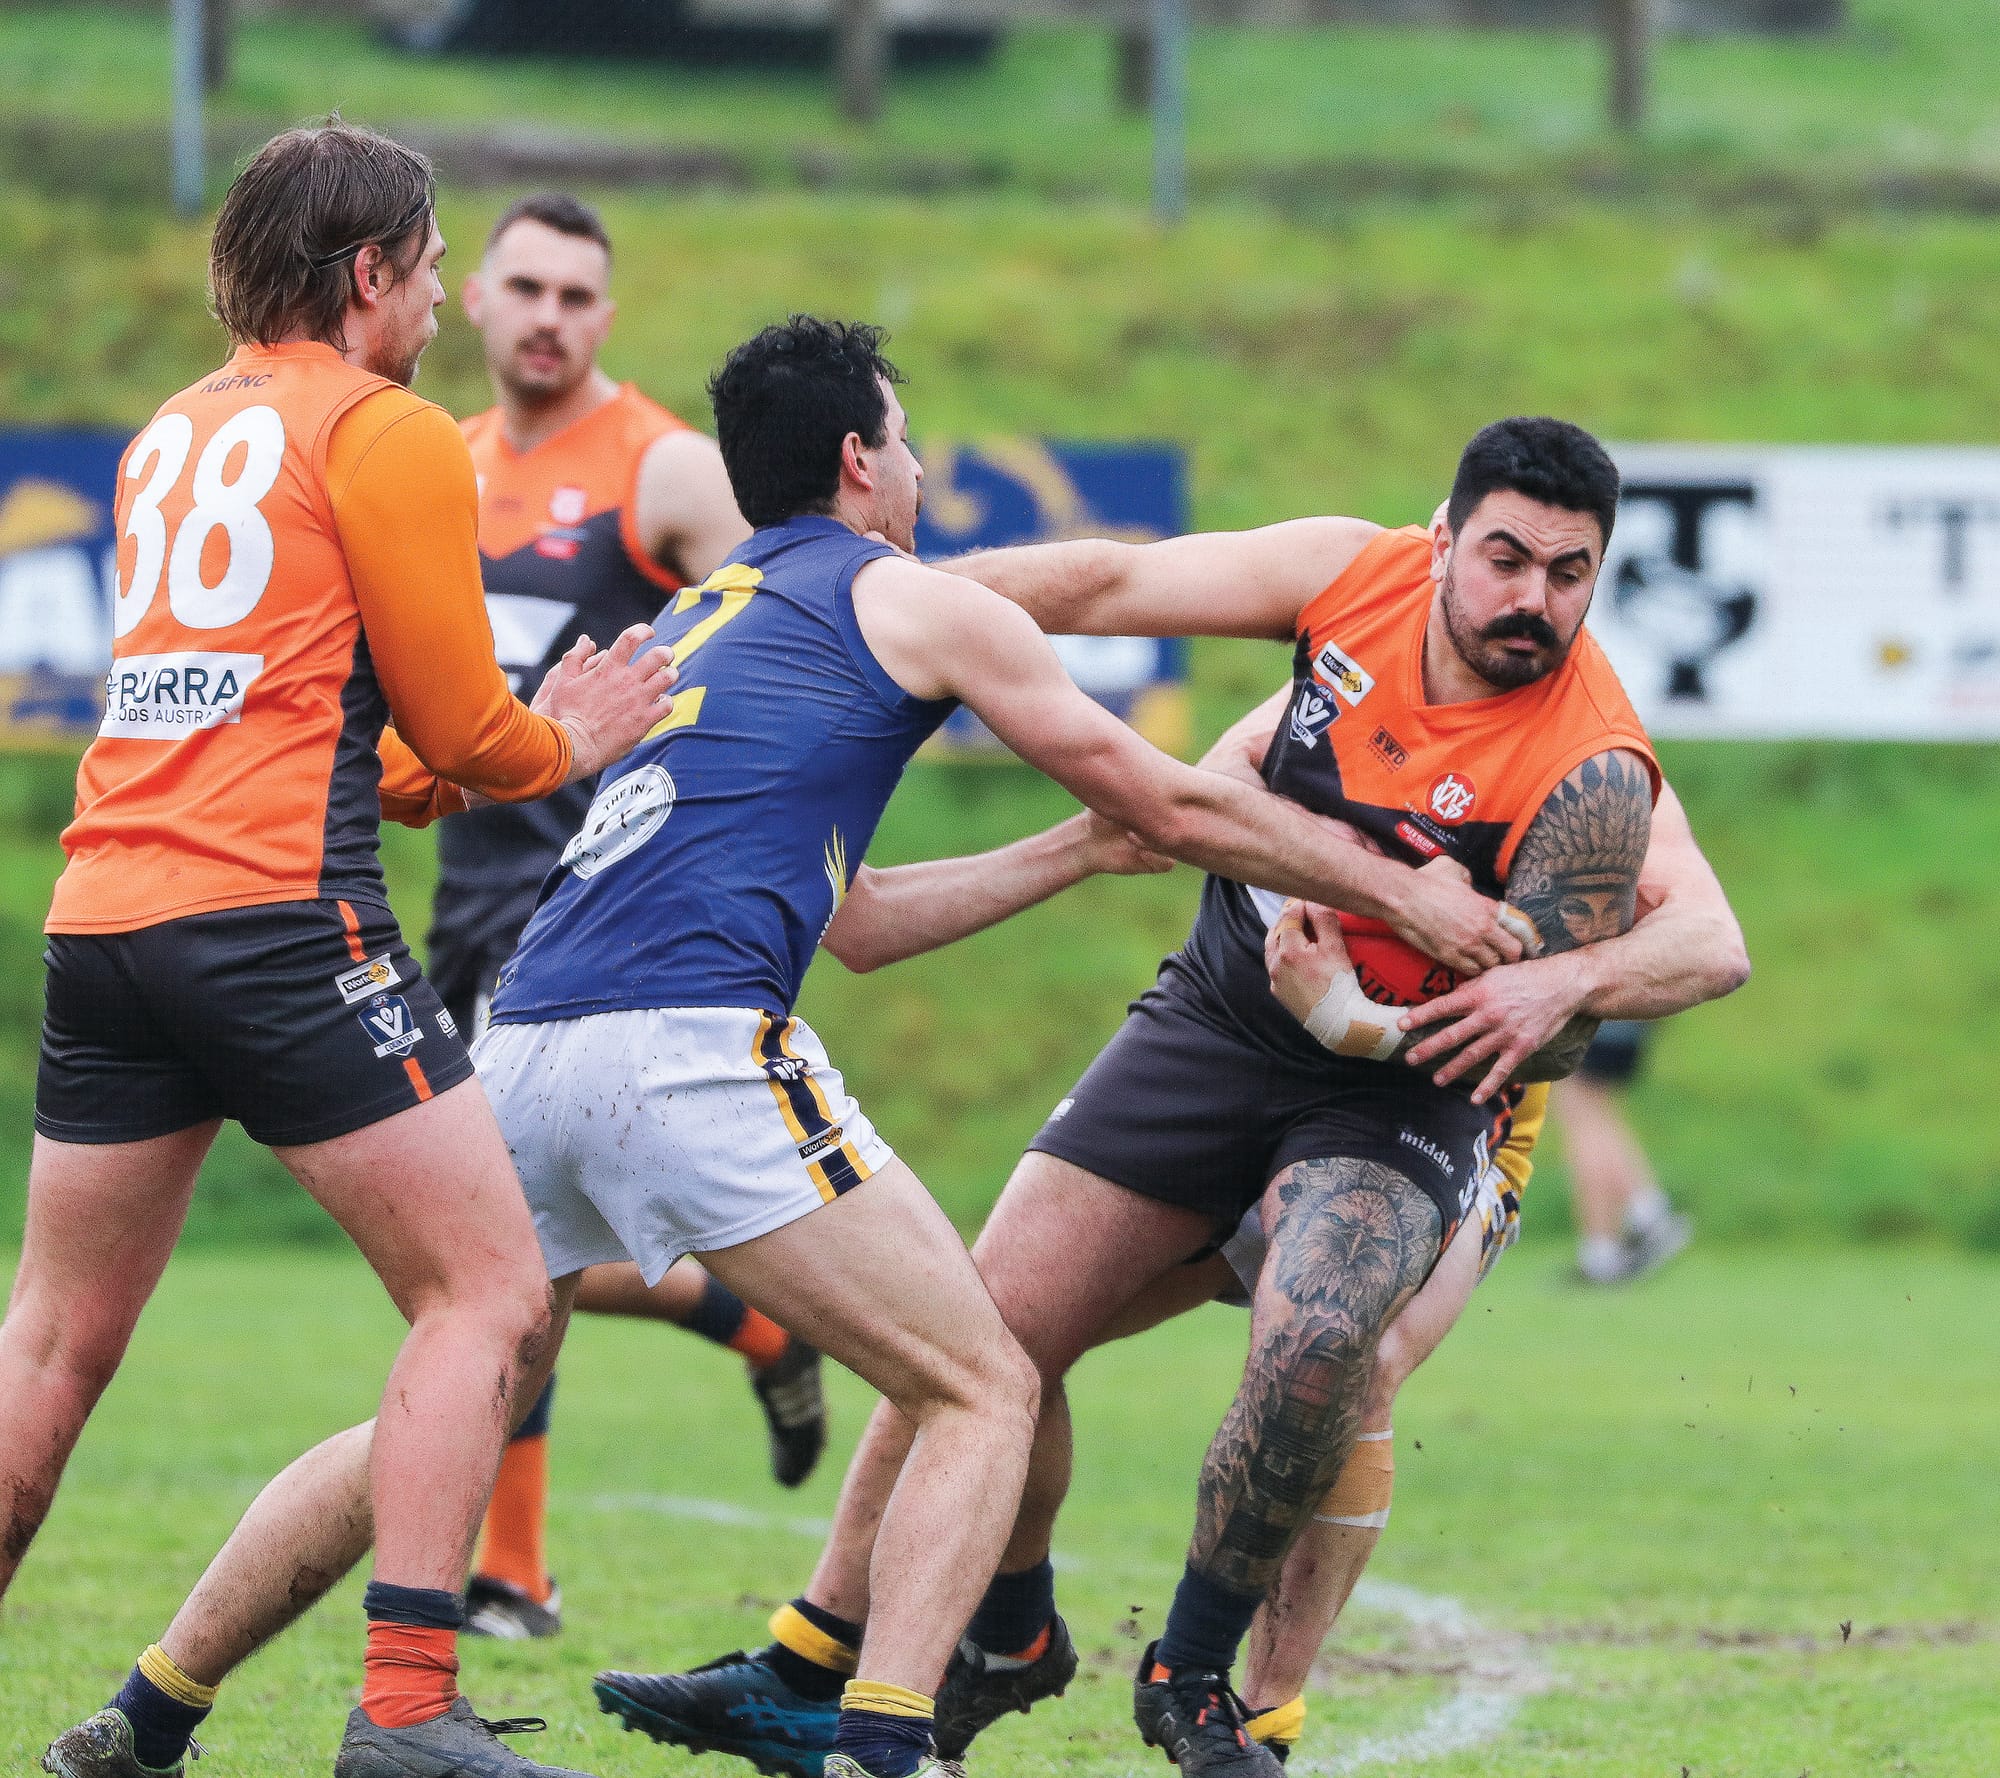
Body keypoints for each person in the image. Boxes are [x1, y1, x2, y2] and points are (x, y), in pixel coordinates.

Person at [72, 316, 1529, 1778]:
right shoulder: (905, 597)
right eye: (903, 439)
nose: (914, 468)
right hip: (685, 1051)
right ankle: (885, 1744)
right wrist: (1401, 888)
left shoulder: (701, 612)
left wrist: (1072, 857)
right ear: (857, 459)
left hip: (522, 1043)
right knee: (982, 1384)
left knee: (448, 1385)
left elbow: (869, 918)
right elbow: (1177, 801)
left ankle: (151, 1708)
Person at [625, 416, 1693, 1778]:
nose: (1531, 599)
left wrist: (1532, 993)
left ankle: (1213, 1688)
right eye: (1504, 558)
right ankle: (932, 1639)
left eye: (1568, 571)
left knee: (1332, 1349)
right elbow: (1113, 591)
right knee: (983, 1333)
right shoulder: (1344, 581)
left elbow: (1706, 940)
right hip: (1225, 1018)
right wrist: (882, 594)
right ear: (1443, 539)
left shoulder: (1594, 756)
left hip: (1405, 1090)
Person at [19, 123, 675, 1778]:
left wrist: (459, 756)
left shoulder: (175, 430)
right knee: (490, 1292)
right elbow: (469, 727)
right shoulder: (387, 429)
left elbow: (355, 735)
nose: (448, 299)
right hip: (278, 920)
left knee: (47, 1342)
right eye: (438, 260)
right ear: (367, 269)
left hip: (108, 917)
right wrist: (569, 737)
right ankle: (405, 1709)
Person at [437, 189, 822, 1642]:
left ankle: (511, 1575)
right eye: (524, 287)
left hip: (597, 915)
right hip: (466, 899)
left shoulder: (657, 463)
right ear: (474, 299)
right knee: (496, 1257)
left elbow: (787, 593)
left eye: (577, 296)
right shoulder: (442, 461)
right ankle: (759, 1320)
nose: (548, 317)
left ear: (607, 313)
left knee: (493, 1261)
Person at [1556, 1022, 1690, 1284]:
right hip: (1628, 1018)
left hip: (1596, 1017)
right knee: (1595, 1113)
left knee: (1583, 1117)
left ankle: (1647, 1213)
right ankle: (1601, 1251)